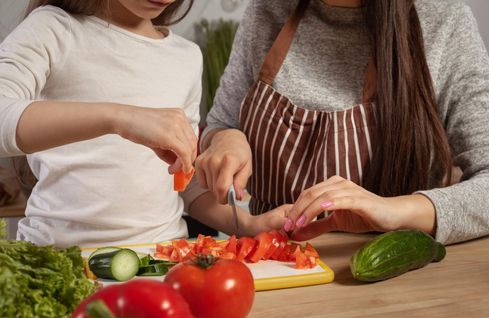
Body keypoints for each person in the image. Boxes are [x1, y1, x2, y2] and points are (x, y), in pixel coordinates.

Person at [196, 0, 489, 245]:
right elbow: (219, 125)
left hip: (396, 284)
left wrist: (396, 211)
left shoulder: (443, 21)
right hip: (273, 267)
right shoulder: (267, 11)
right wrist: (225, 136)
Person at [0, 0, 283, 248]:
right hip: (60, 256)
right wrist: (119, 118)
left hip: (163, 258)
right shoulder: (53, 28)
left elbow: (183, 179)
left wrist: (247, 225)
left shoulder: (186, 57)